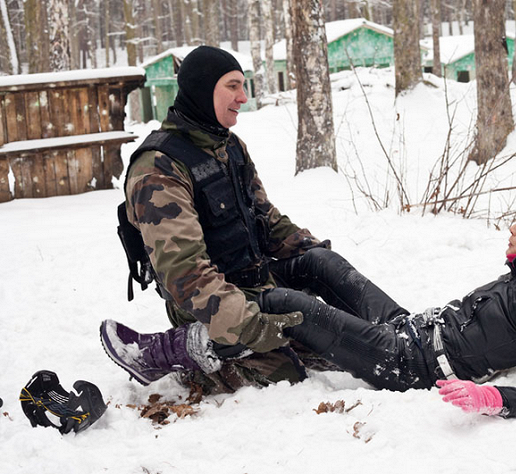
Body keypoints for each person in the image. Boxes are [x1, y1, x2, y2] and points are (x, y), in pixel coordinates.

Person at [103, 197, 516, 418]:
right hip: (415, 331)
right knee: (325, 264)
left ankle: (164, 350)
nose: (513, 228)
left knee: (292, 306)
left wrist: (493, 400)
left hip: (408, 363)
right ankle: (241, 304)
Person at [102, 45, 341, 393]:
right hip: (203, 304)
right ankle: (186, 348)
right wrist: (248, 325)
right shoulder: (158, 167)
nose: (243, 97)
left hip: (256, 286)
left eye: (243, 86)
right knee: (286, 376)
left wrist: (314, 255)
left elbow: (266, 219)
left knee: (331, 345)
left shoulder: (230, 147)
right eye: (232, 86)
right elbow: (184, 272)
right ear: (202, 89)